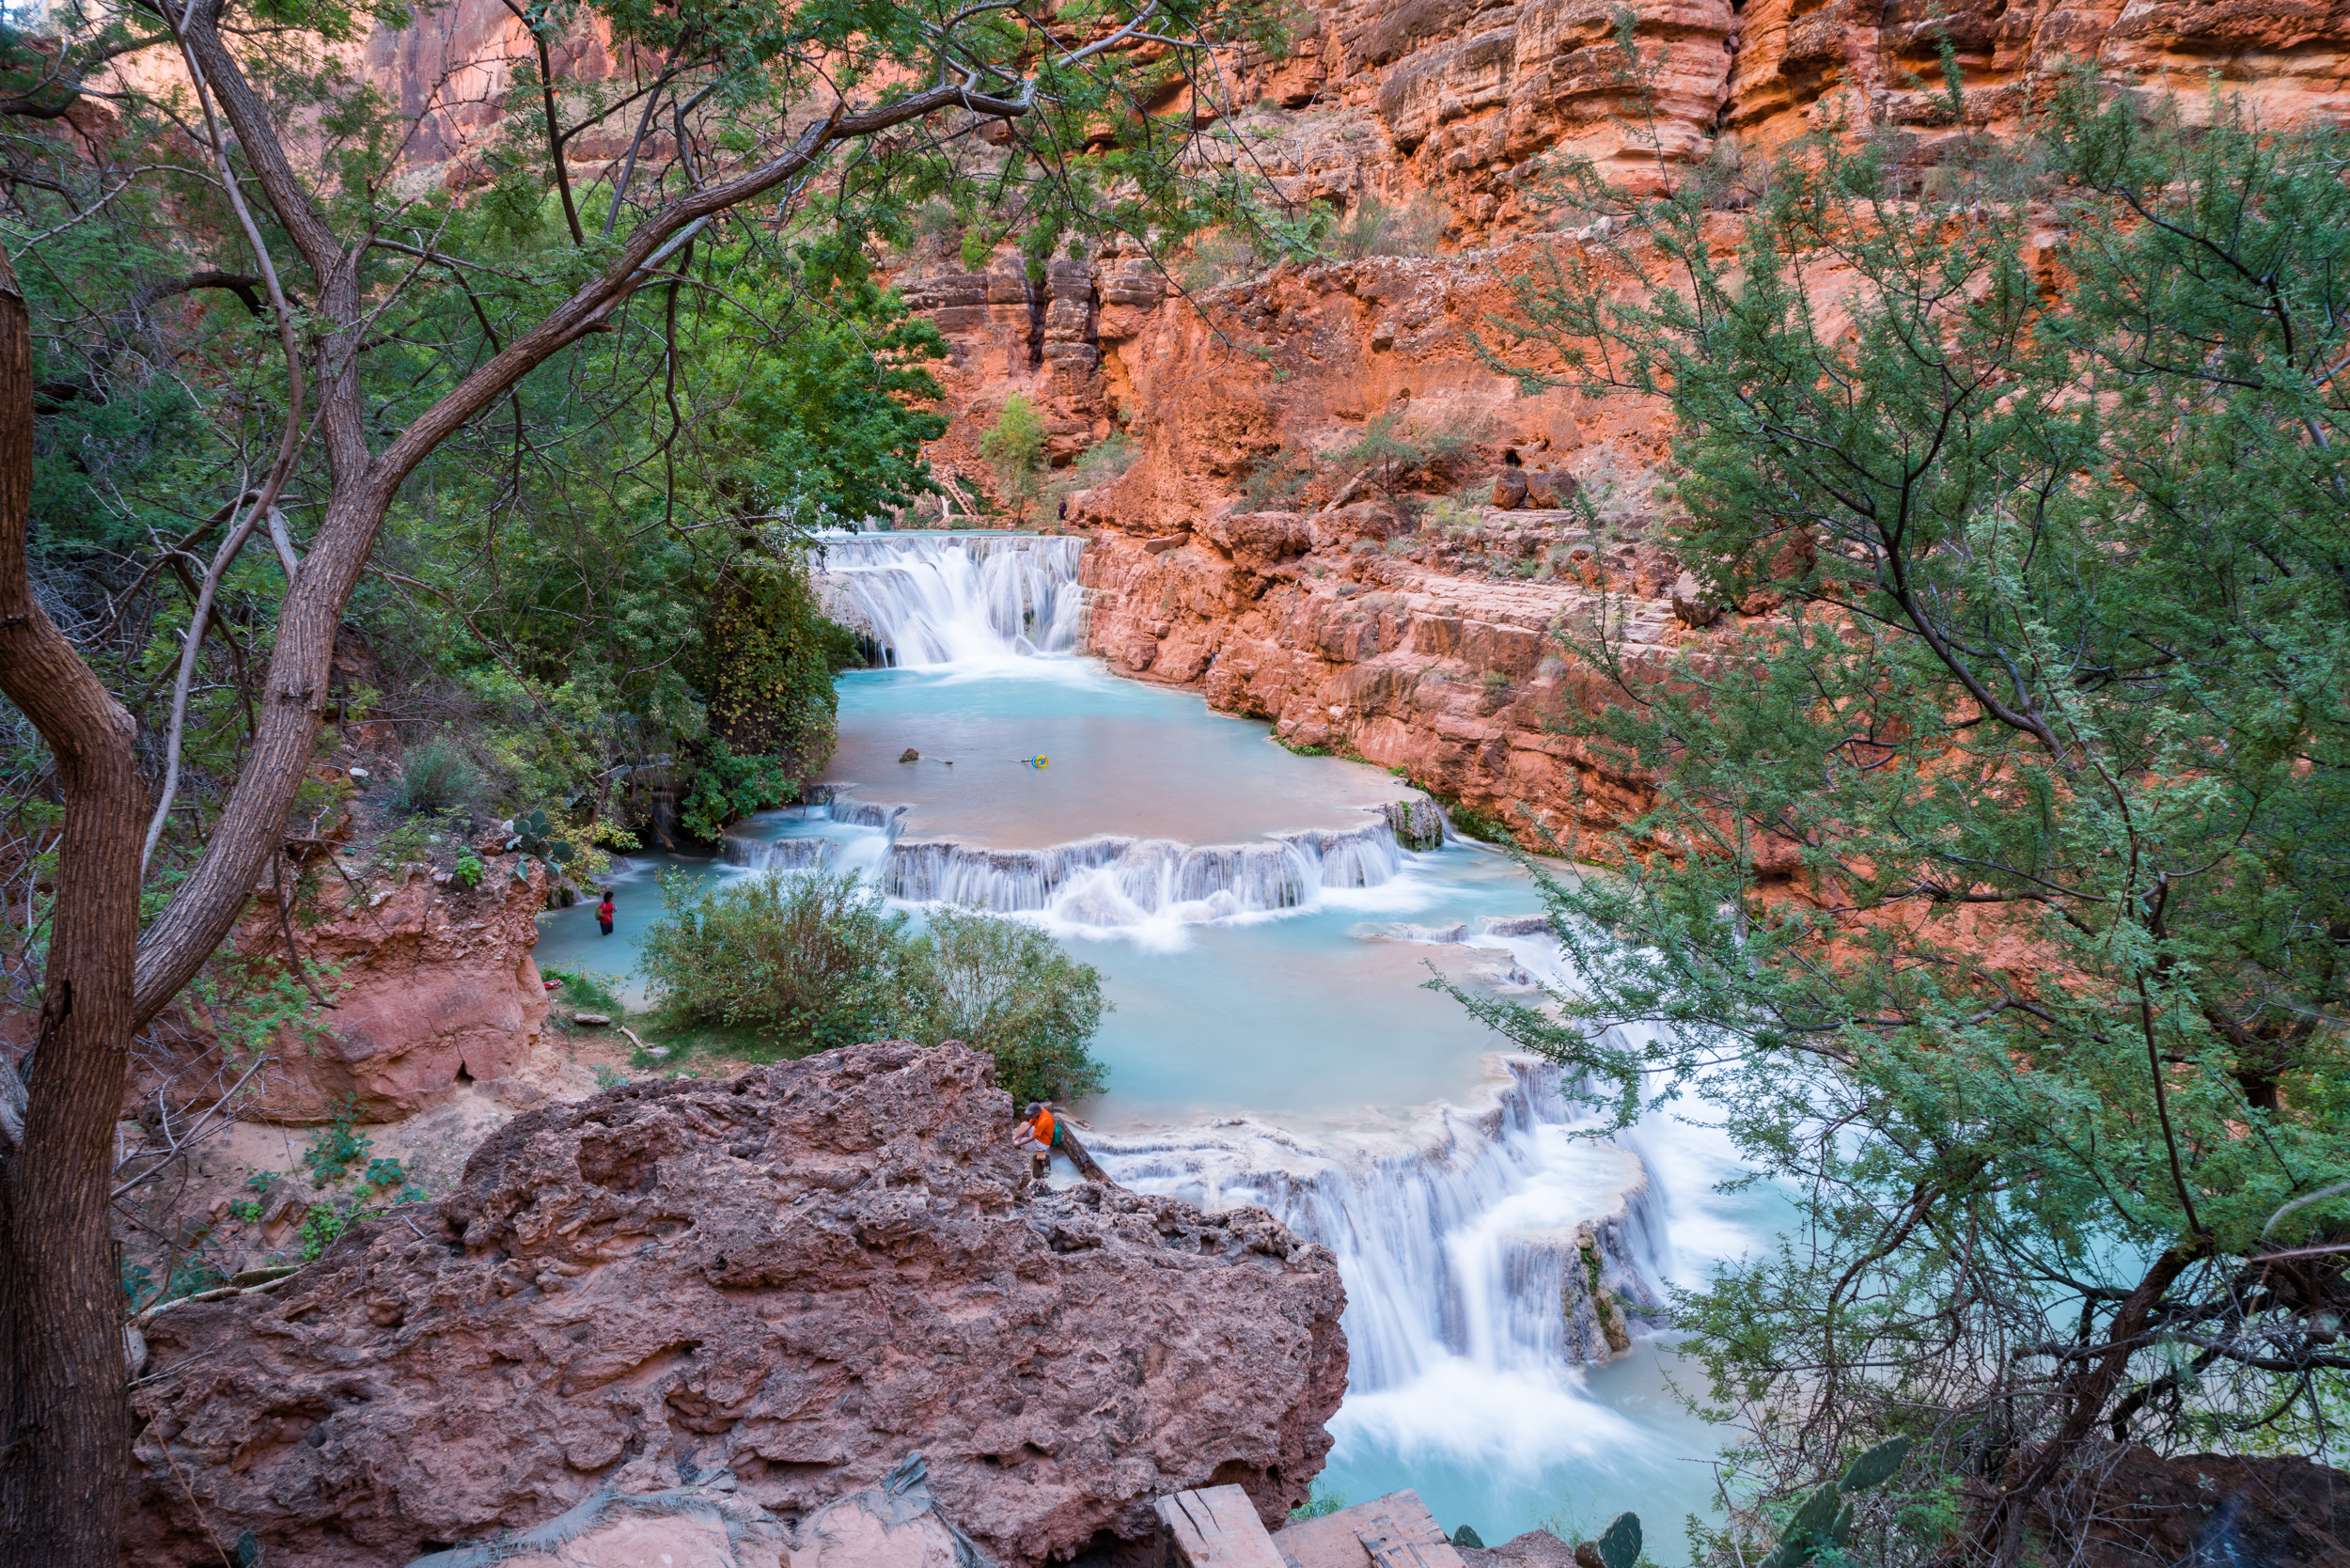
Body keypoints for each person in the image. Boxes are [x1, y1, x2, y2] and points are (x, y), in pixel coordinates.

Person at [1014, 1101, 1057, 1179]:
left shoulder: (1043, 1121)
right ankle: (1017, 1140)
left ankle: (1018, 1147)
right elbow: (1029, 1125)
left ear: (1037, 1112)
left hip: (1042, 1143)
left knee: (1016, 1144)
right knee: (1023, 1124)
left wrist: (1018, 1144)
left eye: (1031, 1114)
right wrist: (1016, 1137)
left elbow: (1031, 1138)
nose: (1029, 1115)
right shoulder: (1041, 1112)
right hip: (1040, 1135)